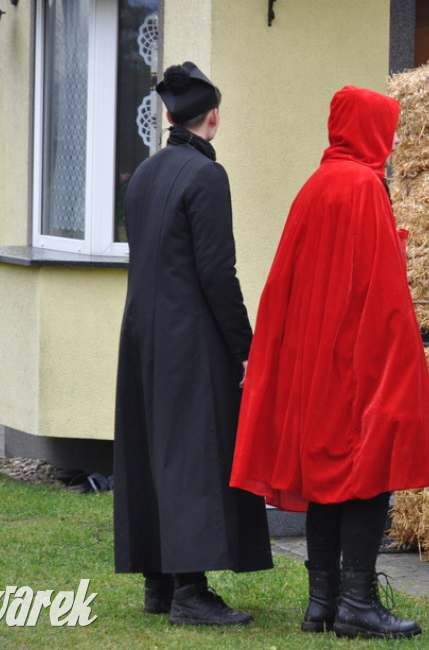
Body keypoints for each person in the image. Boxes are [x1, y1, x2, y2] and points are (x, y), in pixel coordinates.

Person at [230, 85, 429, 639]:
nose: (390, 147)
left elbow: (293, 284)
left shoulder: (317, 185)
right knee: (368, 474)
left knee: (326, 479)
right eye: (387, 132)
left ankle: (322, 604)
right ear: (372, 131)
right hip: (354, 364)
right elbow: (380, 295)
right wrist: (400, 370)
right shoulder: (364, 186)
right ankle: (359, 605)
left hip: (313, 363)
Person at [113, 61, 273, 626]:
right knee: (191, 456)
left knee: (154, 449)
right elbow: (216, 272)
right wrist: (246, 346)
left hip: (142, 335)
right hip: (189, 339)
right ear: (214, 117)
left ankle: (159, 584)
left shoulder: (148, 172)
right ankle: (189, 592)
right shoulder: (207, 175)